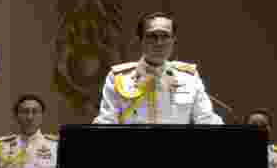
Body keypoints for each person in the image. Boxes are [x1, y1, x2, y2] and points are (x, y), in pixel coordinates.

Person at [93, 12, 223, 125]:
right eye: (152, 36)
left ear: (173, 40)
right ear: (140, 40)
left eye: (165, 36)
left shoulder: (189, 77)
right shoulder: (119, 78)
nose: (159, 43)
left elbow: (206, 119)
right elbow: (107, 121)